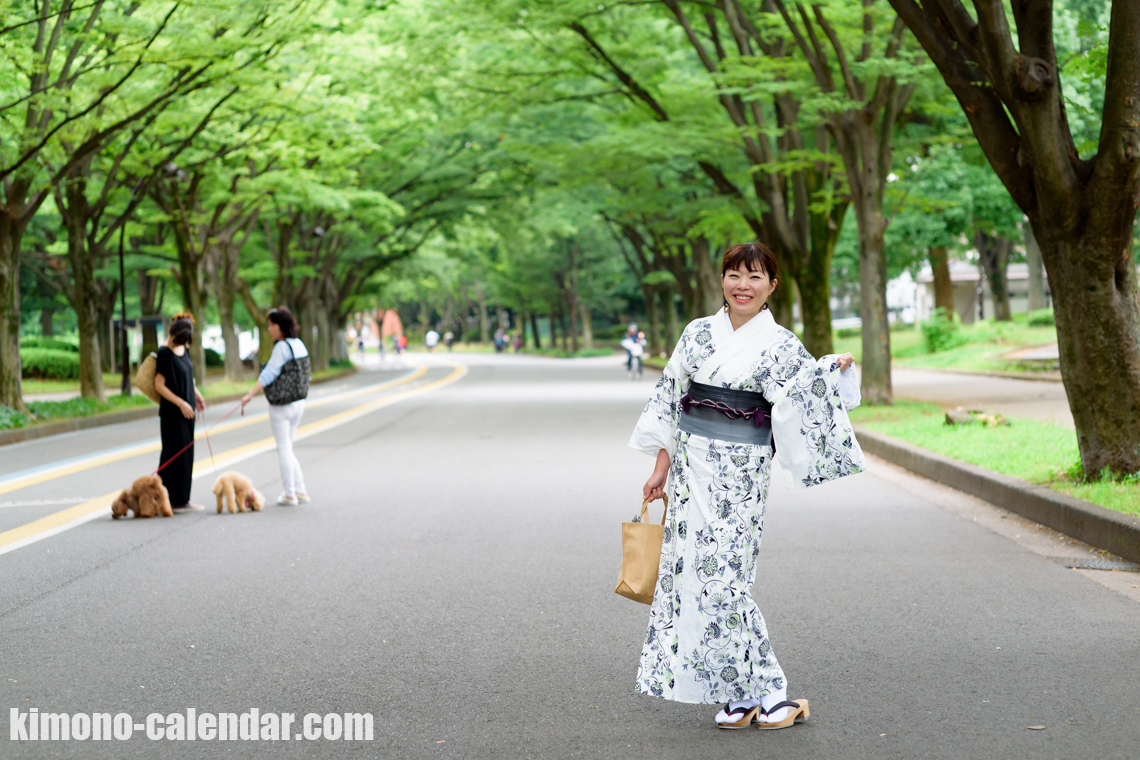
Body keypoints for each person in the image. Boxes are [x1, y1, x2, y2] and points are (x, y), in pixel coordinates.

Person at [629, 241, 864, 730]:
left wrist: (830, 371)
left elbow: (802, 393)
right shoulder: (697, 335)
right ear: (721, 280)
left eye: (755, 277)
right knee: (693, 576)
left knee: (727, 582)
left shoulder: (779, 345)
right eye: (734, 275)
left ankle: (773, 690)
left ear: (772, 286)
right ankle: (743, 693)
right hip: (693, 469)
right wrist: (661, 467)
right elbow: (673, 397)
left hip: (742, 475)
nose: (743, 285)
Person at [240, 307, 311, 507]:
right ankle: (301, 490)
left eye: (272, 325)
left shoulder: (281, 347)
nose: (270, 329)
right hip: (299, 402)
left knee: (284, 448)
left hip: (282, 404)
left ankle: (289, 494)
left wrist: (249, 394)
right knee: (288, 447)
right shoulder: (299, 344)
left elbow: (269, 373)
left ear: (282, 326)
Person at [154, 313, 207, 512]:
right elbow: (159, 386)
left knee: (186, 456)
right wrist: (181, 403)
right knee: (171, 455)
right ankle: (166, 498)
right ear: (172, 333)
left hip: (187, 412)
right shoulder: (164, 353)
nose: (182, 343)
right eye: (179, 340)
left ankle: (182, 499)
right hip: (172, 414)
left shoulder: (184, 349)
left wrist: (197, 395)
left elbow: (189, 378)